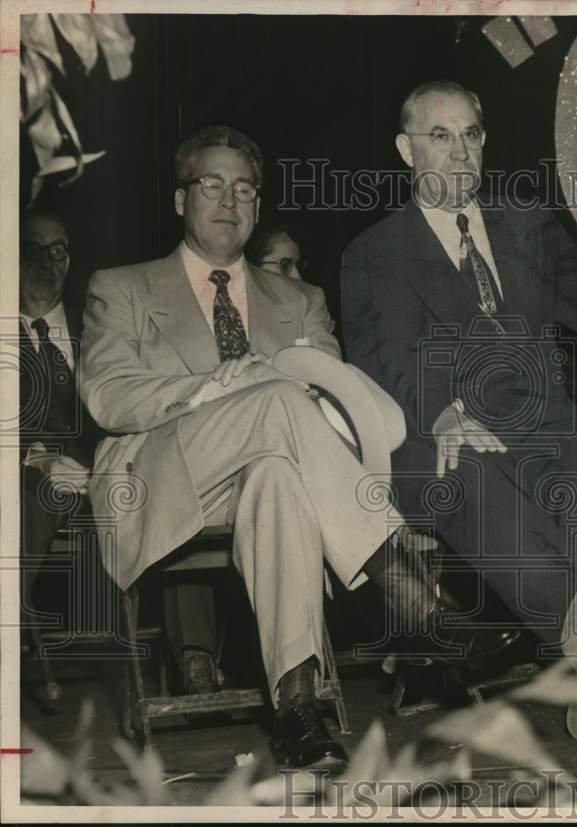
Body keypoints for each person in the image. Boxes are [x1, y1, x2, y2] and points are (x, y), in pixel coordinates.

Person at [79, 126, 512, 768]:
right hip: (161, 478)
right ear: (179, 201)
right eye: (212, 184)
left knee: (279, 473)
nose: (230, 201)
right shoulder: (121, 287)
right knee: (280, 397)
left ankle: (298, 707)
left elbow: (331, 411)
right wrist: (217, 384)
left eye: (246, 189)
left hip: (274, 475)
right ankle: (413, 601)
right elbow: (109, 395)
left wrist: (275, 389)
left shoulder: (300, 299)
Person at [341, 81, 577, 740]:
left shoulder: (528, 224)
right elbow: (380, 363)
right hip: (430, 433)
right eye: (441, 136)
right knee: (468, 467)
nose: (460, 151)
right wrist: (442, 411)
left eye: (471, 134)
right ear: (406, 150)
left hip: (537, 413)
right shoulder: (373, 252)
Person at [19, 210, 98, 632]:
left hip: (108, 475)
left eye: (56, 253)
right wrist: (38, 460)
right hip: (30, 482)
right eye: (31, 253)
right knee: (28, 490)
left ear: (68, 261)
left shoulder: (101, 325)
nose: (45, 266)